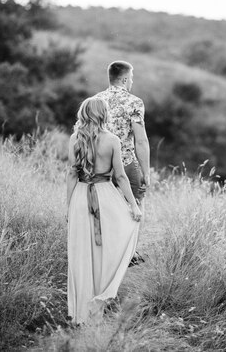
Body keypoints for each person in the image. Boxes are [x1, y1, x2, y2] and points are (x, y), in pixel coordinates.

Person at [66, 97, 142, 325]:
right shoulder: (112, 140)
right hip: (105, 196)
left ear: (84, 113)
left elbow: (71, 174)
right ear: (103, 114)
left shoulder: (74, 138)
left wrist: (68, 207)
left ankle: (82, 313)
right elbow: (120, 176)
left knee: (82, 252)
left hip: (80, 196)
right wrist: (134, 205)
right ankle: (99, 300)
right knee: (109, 247)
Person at [95, 61, 150, 206]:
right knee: (135, 207)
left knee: (103, 208)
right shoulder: (134, 102)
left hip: (99, 164)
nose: (131, 81)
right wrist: (146, 173)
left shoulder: (95, 101)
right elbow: (141, 141)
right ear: (125, 79)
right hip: (126, 163)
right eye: (131, 78)